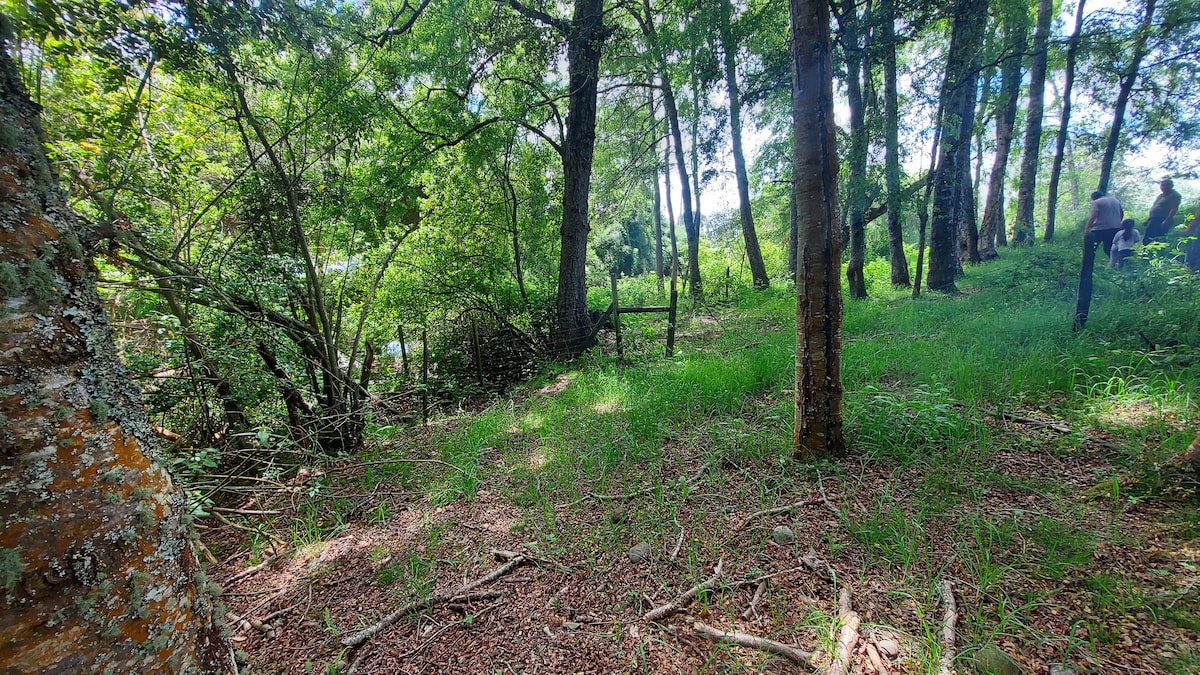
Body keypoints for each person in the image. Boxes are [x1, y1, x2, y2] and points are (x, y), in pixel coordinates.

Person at [1085, 190, 1124, 258]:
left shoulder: (1096, 202)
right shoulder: (1115, 200)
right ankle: (1117, 263)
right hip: (1115, 227)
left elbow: (1093, 215)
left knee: (1091, 247)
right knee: (1110, 248)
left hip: (1100, 229)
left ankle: (1088, 263)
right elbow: (1121, 214)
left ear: (1093, 198)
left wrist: (1087, 228)